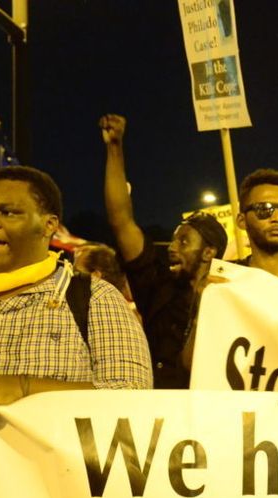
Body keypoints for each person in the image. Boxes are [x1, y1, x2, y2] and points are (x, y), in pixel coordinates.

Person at [0, 165, 151, 419]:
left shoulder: (95, 299)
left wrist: (25, 388)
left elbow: (133, 395)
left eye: (8, 212)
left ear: (49, 225)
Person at [100, 113, 227, 388]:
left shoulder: (233, 299)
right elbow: (121, 221)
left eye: (184, 241)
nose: (172, 247)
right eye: (173, 240)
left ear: (209, 253)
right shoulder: (158, 288)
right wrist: (114, 148)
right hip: (158, 407)